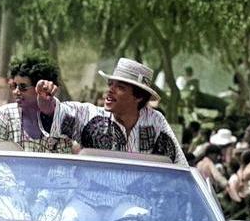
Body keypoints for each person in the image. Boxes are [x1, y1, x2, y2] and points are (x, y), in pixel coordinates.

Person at [36, 57, 186, 165]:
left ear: (139, 97)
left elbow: (178, 165)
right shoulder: (90, 117)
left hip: (135, 202)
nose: (110, 90)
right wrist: (45, 100)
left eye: (120, 87)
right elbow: (55, 113)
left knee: (136, 212)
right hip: (87, 199)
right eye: (110, 84)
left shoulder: (155, 122)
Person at [0, 50, 73, 152]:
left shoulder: (61, 121)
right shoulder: (4, 116)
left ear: (42, 88)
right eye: (14, 86)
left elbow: (62, 164)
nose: (16, 91)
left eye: (23, 87)